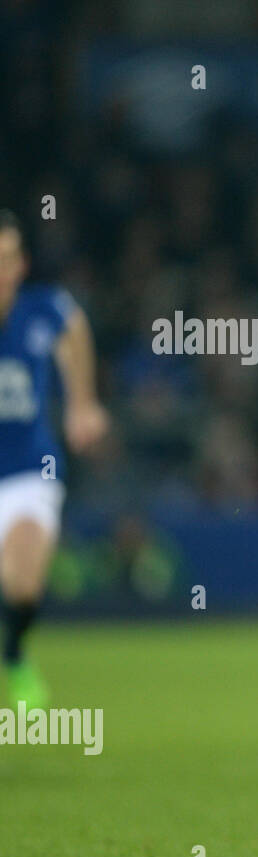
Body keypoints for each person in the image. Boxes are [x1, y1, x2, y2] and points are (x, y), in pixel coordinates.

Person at [0, 210, 110, 706]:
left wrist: (82, 401)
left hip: (29, 470)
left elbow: (75, 326)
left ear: (21, 265)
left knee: (22, 583)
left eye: (6, 260)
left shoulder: (41, 310)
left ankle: (15, 654)